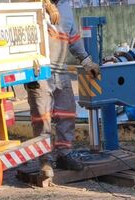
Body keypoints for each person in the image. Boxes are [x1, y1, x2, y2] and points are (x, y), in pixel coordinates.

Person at [25, 0, 101, 178]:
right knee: (42, 117)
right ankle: (44, 160)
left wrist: (87, 61)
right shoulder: (31, 4)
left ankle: (64, 154)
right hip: (39, 71)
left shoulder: (66, 6)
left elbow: (73, 37)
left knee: (67, 113)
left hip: (61, 69)